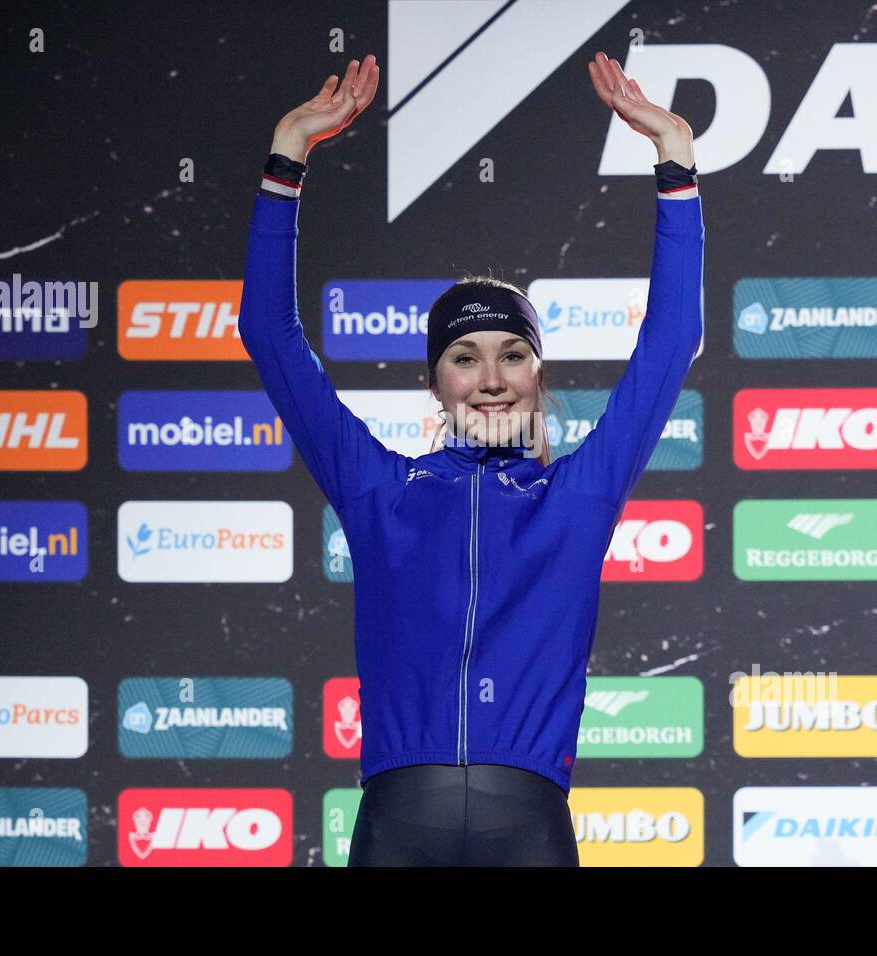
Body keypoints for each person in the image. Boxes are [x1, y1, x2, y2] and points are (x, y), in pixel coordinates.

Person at [239, 51, 703, 866]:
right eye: (464, 356)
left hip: (527, 826)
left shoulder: (580, 494)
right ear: (435, 381)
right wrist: (288, 158)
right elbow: (269, 336)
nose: (490, 378)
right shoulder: (379, 488)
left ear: (538, 372)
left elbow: (672, 340)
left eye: (511, 354)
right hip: (395, 824)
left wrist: (674, 161)